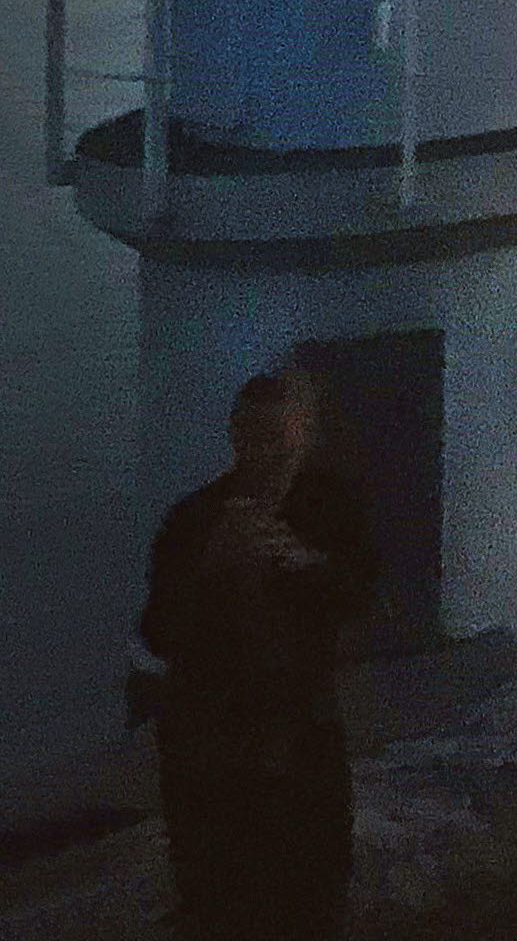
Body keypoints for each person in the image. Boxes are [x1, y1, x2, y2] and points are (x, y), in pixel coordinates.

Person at [144, 367, 376, 941]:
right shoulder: (193, 519)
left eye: (280, 439)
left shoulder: (330, 507)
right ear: (234, 437)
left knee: (314, 892)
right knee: (221, 897)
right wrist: (210, 567)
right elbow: (158, 633)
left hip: (301, 729)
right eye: (254, 439)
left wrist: (306, 564)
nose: (266, 456)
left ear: (306, 438)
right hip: (213, 740)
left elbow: (361, 594)